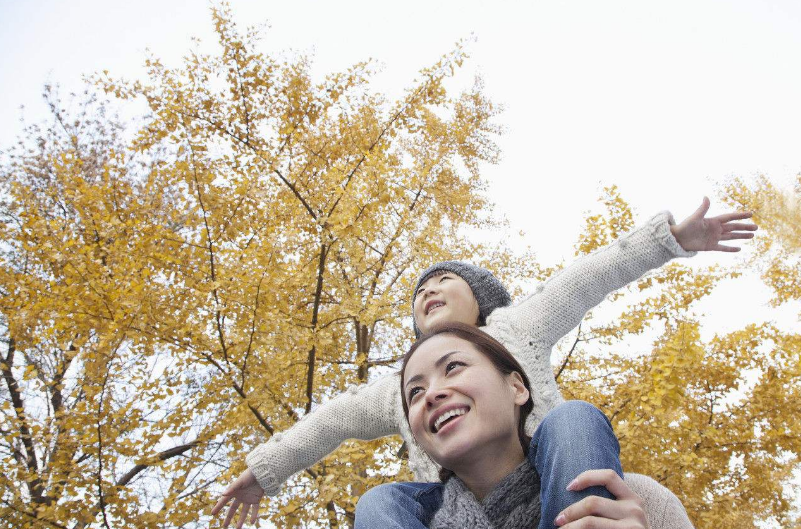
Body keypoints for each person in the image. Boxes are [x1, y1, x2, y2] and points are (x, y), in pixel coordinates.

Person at [211, 199, 756, 528]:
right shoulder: (396, 385)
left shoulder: (518, 326)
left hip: (550, 481)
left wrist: (669, 240)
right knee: (378, 503)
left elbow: (588, 277)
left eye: (445, 280)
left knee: (573, 419)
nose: (429, 289)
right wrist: (265, 471)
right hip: (456, 507)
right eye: (420, 289)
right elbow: (329, 422)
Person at [394, 322, 651, 528]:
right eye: (415, 392)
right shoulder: (393, 516)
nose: (431, 394)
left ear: (516, 387)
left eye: (453, 366)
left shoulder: (636, 503)